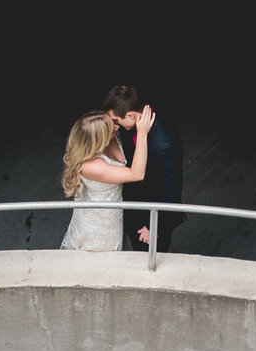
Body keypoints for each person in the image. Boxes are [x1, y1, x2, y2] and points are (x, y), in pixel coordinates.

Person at [58, 105, 154, 251]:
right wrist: (142, 134)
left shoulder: (111, 136)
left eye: (114, 123)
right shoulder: (90, 166)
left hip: (118, 209)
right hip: (101, 223)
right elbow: (137, 174)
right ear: (98, 140)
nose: (117, 128)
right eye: (111, 130)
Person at [103, 84, 181, 250]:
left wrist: (155, 227)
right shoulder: (130, 124)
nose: (114, 126)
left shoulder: (165, 142)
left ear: (131, 115)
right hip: (131, 207)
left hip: (150, 219)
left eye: (116, 121)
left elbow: (171, 190)